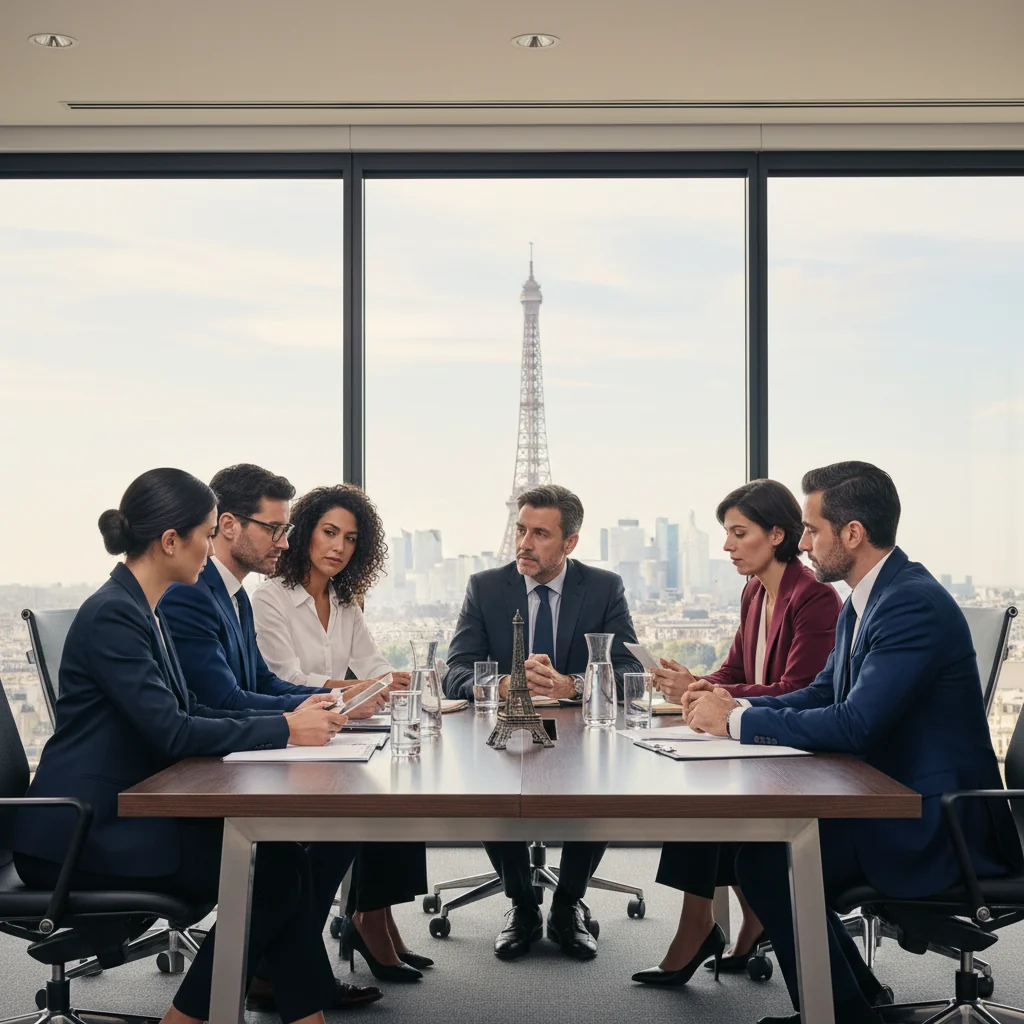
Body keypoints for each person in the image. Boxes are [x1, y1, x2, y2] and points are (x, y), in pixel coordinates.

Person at [12, 468, 380, 1024]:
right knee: (273, 872)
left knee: (280, 864)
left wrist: (295, 716)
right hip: (80, 832)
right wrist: (284, 728)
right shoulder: (117, 613)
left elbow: (195, 711)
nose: (211, 550)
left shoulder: (144, 607)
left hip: (118, 811)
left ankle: (302, 1018)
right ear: (169, 542)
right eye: (207, 535)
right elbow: (172, 732)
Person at [683, 462, 1024, 1024]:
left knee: (770, 863)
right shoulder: (868, 598)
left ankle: (842, 1013)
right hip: (893, 795)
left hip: (936, 822)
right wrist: (736, 710)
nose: (804, 542)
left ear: (853, 533)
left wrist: (736, 724)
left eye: (812, 530)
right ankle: (850, 1002)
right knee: (763, 855)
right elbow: (822, 692)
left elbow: (855, 725)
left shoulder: (909, 603)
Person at [158, 465, 408, 997]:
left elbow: (262, 681)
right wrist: (307, 713)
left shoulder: (232, 595)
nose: (284, 540)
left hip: (240, 749)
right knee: (301, 853)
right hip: (209, 769)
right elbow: (221, 700)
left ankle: (289, 979)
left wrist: (326, 703)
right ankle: (288, 979)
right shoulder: (197, 594)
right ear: (227, 526)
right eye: (275, 528)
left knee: (345, 826)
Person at [633, 479, 841, 987]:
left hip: (797, 750)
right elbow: (733, 669)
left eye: (738, 533)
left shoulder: (814, 598)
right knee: (697, 783)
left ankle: (700, 928)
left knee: (706, 794)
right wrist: (697, 684)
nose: (726, 545)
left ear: (776, 535)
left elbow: (800, 688)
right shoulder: (755, 591)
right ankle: (736, 921)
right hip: (760, 741)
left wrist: (718, 699)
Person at [445, 484, 642, 961]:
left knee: (601, 786)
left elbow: (631, 669)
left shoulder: (602, 587)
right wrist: (501, 683)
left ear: (570, 542)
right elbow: (454, 670)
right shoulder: (486, 587)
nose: (524, 544)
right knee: (488, 784)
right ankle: (521, 903)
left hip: (580, 731)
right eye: (520, 530)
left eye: (540, 534)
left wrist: (571, 684)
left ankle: (568, 903)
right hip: (501, 730)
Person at [253, 483, 430, 984]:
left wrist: (391, 683)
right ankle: (327, 945)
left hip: (333, 738)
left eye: (351, 539)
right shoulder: (271, 599)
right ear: (304, 532)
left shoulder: (344, 600)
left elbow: (373, 666)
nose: (338, 547)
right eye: (329, 532)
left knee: (398, 785)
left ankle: (377, 915)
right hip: (292, 740)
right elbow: (282, 679)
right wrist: (360, 685)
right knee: (368, 802)